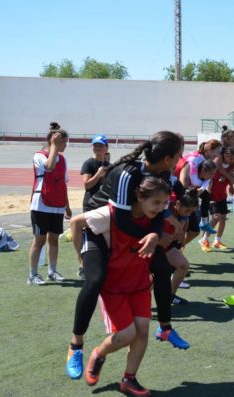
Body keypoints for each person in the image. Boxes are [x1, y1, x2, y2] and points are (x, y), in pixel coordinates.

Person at [66, 131, 188, 381]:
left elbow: (157, 212)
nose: (179, 161)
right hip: (100, 227)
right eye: (177, 157)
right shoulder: (127, 173)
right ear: (166, 158)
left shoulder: (162, 175)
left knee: (163, 269)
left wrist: (156, 233)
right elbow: (121, 220)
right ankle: (76, 345)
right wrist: (153, 236)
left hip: (132, 227)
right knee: (95, 280)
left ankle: (165, 328)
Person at [70, 176, 171, 397]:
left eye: (164, 203)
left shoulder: (154, 219)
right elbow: (76, 222)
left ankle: (129, 379)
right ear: (139, 197)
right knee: (126, 335)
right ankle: (99, 353)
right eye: (156, 202)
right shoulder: (110, 214)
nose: (161, 208)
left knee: (142, 331)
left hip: (140, 284)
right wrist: (82, 257)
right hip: (113, 287)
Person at [28, 122, 71, 286]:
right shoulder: (39, 156)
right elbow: (50, 167)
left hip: (57, 205)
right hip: (41, 204)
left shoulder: (63, 159)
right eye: (63, 143)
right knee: (39, 241)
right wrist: (53, 146)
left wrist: (66, 206)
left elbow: (63, 183)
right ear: (53, 142)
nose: (65, 146)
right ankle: (32, 275)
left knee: (54, 240)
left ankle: (52, 271)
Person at [79, 134, 110, 279]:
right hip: (91, 203)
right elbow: (87, 185)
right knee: (89, 234)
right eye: (95, 145)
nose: (97, 148)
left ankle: (103, 263)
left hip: (104, 204)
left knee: (104, 234)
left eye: (100, 145)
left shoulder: (109, 166)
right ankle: (82, 265)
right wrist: (98, 174)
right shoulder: (89, 163)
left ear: (106, 148)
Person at [198, 145, 234, 250]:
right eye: (230, 158)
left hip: (222, 195)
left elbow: (230, 175)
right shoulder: (217, 164)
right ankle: (204, 239)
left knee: (223, 218)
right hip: (212, 195)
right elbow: (209, 178)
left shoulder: (232, 164)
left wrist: (230, 185)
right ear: (224, 155)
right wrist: (207, 191)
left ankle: (217, 241)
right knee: (216, 217)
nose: (232, 160)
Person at [163, 186, 198, 304]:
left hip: (167, 246)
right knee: (156, 277)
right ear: (177, 204)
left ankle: (170, 296)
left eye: (192, 211)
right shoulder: (165, 205)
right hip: (155, 246)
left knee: (183, 265)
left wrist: (183, 237)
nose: (189, 214)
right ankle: (139, 305)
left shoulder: (183, 212)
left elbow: (185, 218)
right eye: (187, 210)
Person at [179, 139, 222, 234]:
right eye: (217, 152)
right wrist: (204, 185)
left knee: (206, 196)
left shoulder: (206, 160)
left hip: (192, 189)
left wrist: (204, 187)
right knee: (188, 223)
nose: (218, 155)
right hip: (182, 189)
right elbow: (193, 180)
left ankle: (204, 222)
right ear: (210, 150)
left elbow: (207, 179)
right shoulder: (195, 158)